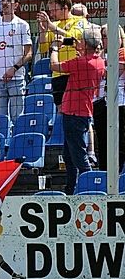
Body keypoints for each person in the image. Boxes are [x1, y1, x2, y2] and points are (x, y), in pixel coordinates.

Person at [50, 26, 105, 194]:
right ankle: (71, 188)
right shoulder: (99, 61)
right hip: (82, 111)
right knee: (69, 154)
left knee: (79, 155)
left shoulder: (80, 63)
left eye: (81, 40)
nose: (78, 42)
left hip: (74, 112)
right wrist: (79, 48)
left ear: (87, 44)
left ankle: (90, 188)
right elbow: (86, 60)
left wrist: (54, 49)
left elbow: (54, 66)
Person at [0, 0, 33, 124]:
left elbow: (29, 53)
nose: (4, 3)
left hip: (15, 79)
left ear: (15, 5)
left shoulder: (22, 25)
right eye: (2, 0)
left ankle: (16, 143)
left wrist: (14, 68)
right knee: (0, 120)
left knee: (17, 118)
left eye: (8, 1)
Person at [37, 0, 87, 112]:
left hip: (74, 73)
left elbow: (73, 38)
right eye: (50, 11)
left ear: (65, 8)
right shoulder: (54, 25)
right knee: (61, 110)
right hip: (58, 74)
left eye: (54, 10)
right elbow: (43, 49)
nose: (51, 14)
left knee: (78, 110)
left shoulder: (79, 21)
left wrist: (51, 26)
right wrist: (43, 32)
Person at [93, 24, 125, 173]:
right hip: (100, 104)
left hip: (120, 104)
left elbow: (112, 75)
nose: (105, 40)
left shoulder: (122, 52)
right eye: (103, 36)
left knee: (119, 142)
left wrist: (98, 68)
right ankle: (104, 173)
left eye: (107, 36)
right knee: (103, 142)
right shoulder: (99, 56)